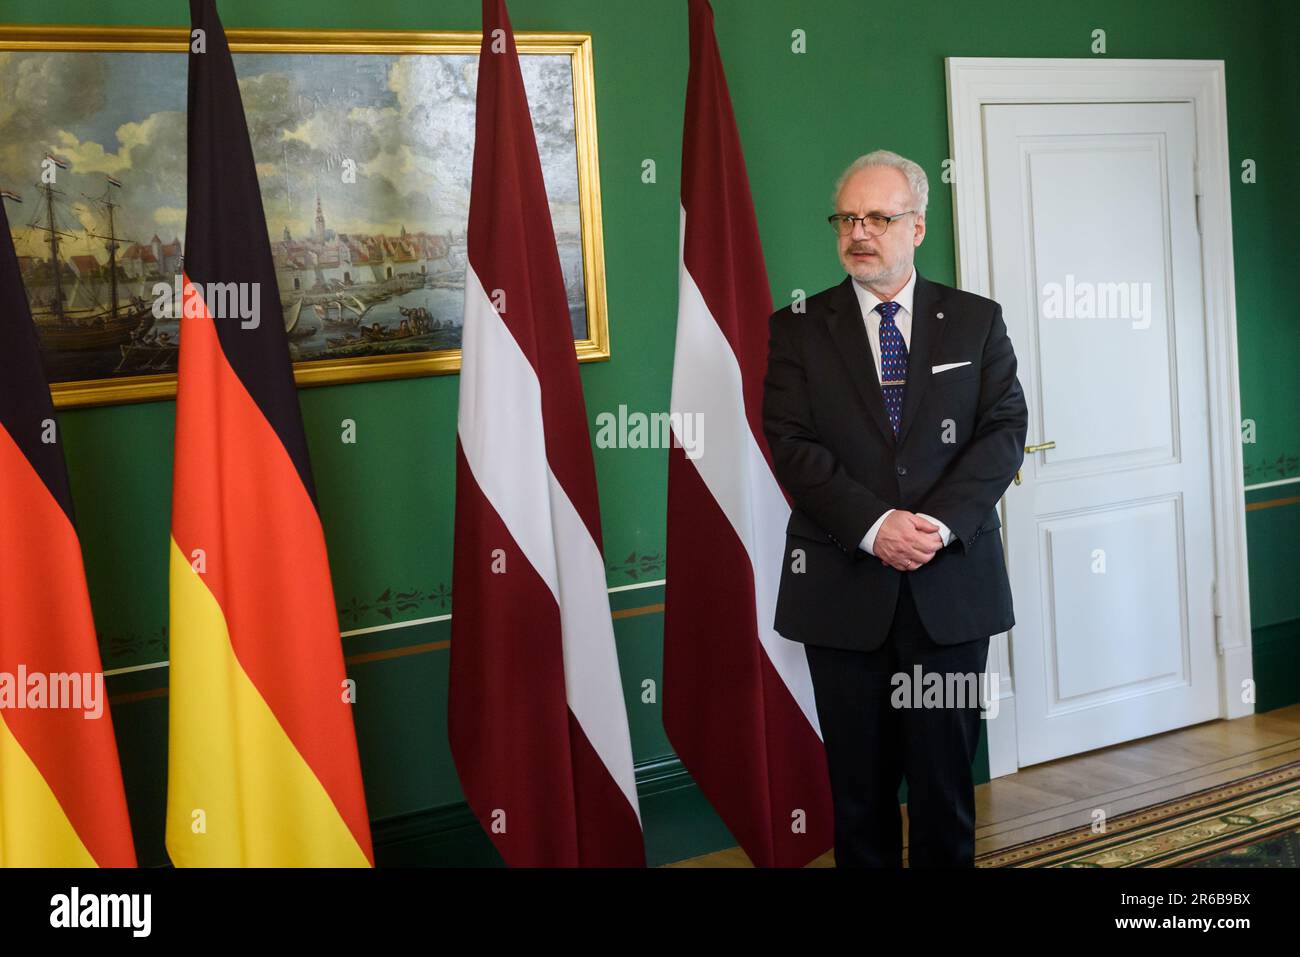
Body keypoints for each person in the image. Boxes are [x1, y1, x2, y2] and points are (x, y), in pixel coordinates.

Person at [762, 149, 1028, 867]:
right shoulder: (797, 327)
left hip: (951, 592)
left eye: (878, 217)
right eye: (847, 217)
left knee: (945, 793)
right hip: (844, 595)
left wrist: (934, 526)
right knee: (860, 796)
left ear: (916, 225)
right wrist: (876, 527)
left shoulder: (974, 321)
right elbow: (792, 445)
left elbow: (1004, 431)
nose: (859, 232)